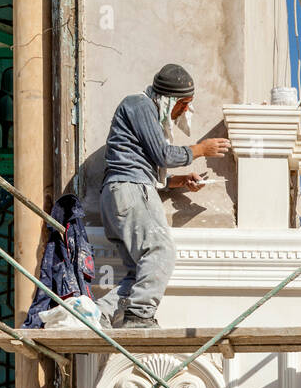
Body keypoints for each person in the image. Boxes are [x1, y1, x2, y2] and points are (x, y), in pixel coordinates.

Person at [99, 64, 231, 329]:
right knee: (162, 250)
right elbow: (162, 155)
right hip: (130, 188)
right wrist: (201, 149)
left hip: (120, 194)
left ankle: (95, 314)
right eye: (183, 104)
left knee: (139, 272)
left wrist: (178, 181)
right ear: (169, 99)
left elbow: (146, 163)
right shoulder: (140, 105)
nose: (184, 111)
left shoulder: (143, 110)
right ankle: (140, 316)